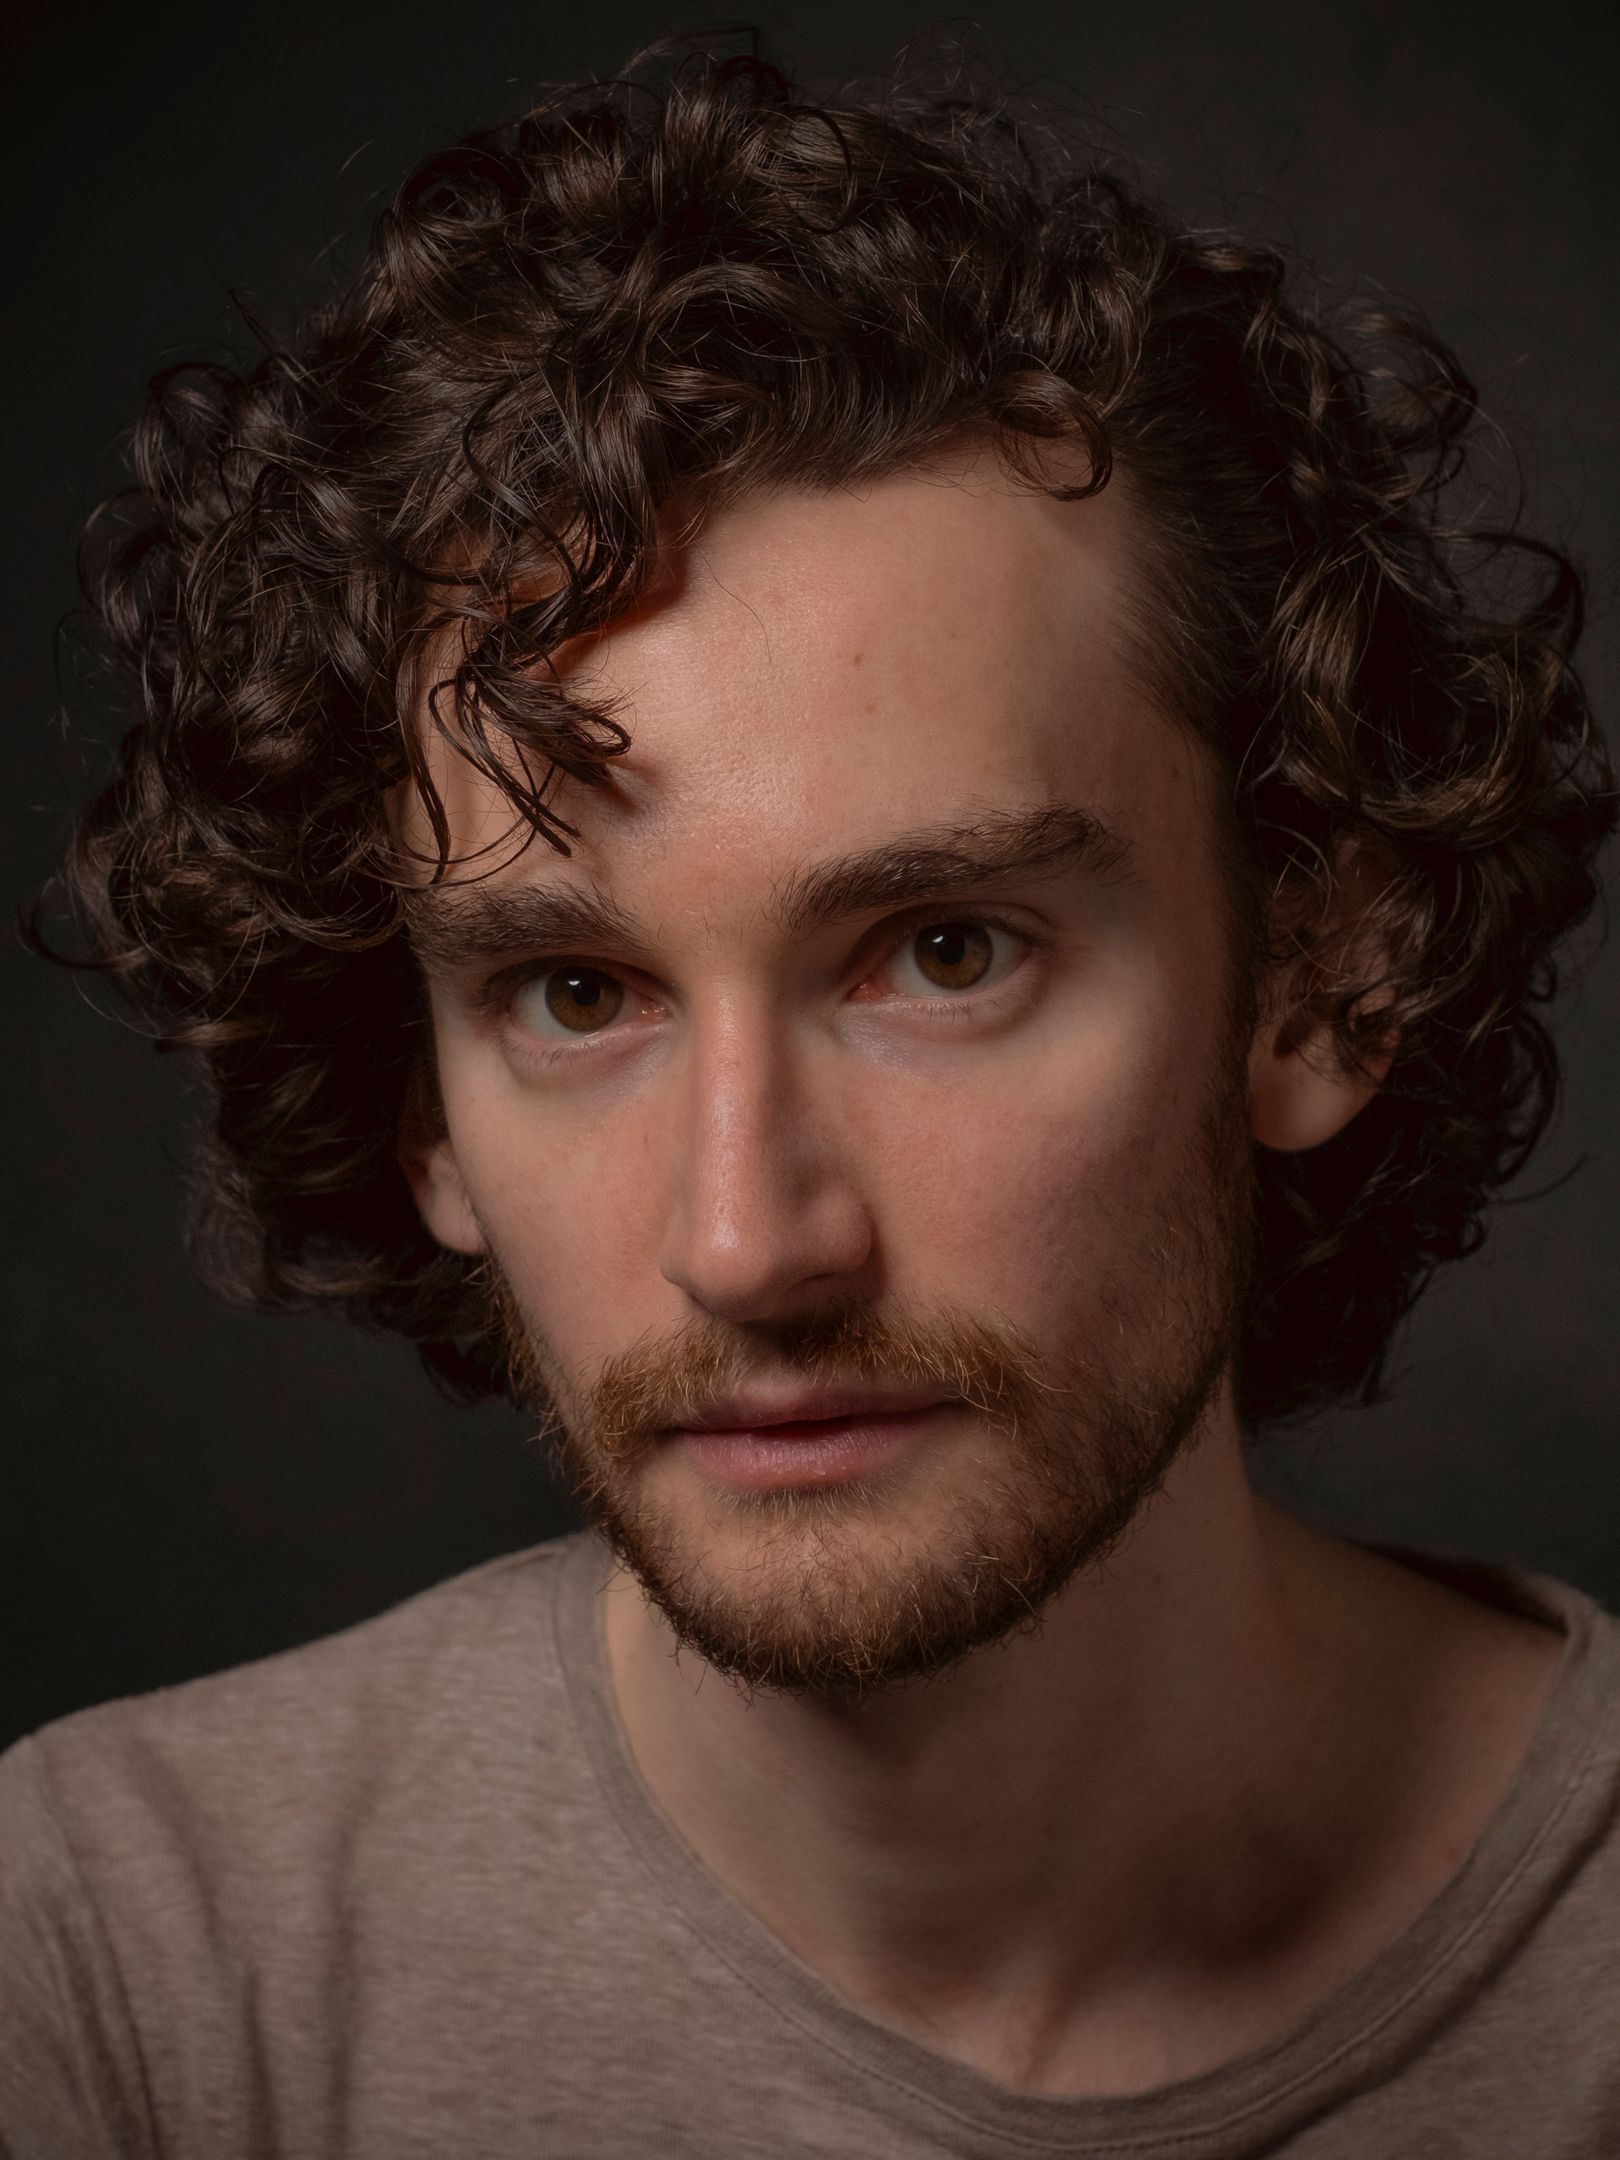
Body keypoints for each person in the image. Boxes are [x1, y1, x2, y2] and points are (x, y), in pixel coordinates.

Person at [5, 31, 1617, 2159]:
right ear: (424, 1111)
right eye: (574, 993)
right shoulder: (113, 1967)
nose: (749, 1243)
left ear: (1320, 987)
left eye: (945, 953)